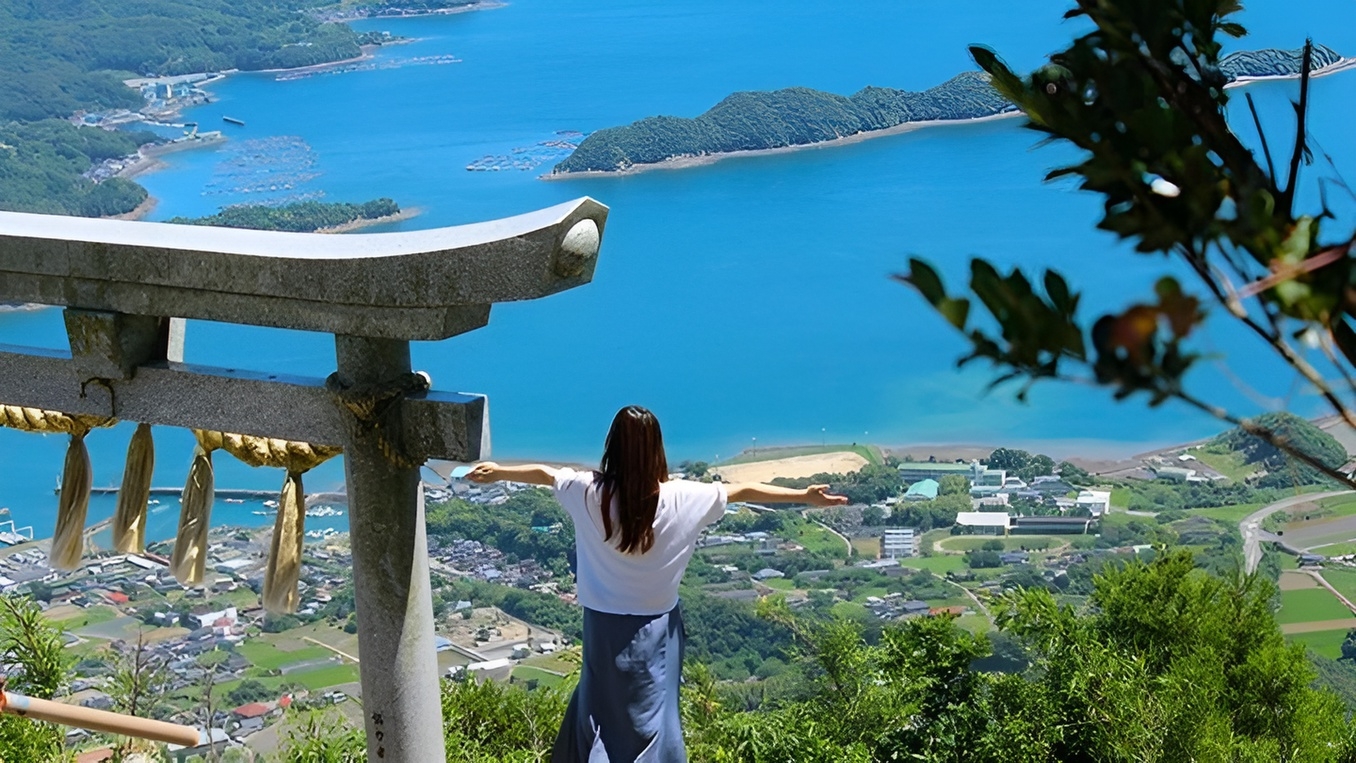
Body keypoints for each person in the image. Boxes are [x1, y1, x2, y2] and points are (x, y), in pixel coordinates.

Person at [466, 405, 847, 763]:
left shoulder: (587, 493)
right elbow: (742, 490)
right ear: (656, 450)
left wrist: (498, 471)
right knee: (654, 714)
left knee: (600, 710)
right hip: (660, 626)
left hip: (601, 625)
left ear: (612, 446)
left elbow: (546, 473)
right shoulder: (684, 497)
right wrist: (803, 496)